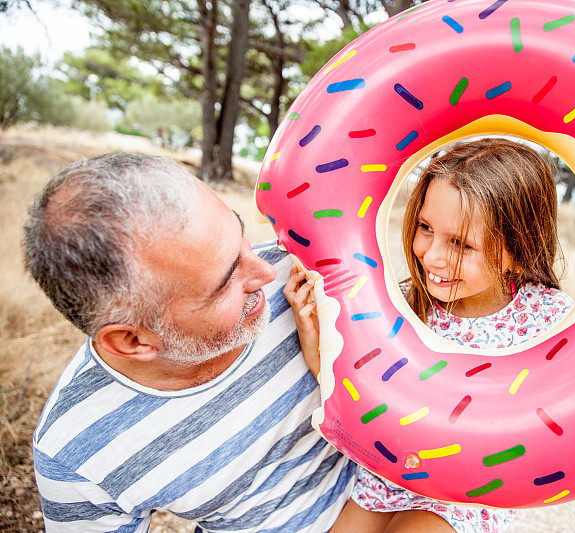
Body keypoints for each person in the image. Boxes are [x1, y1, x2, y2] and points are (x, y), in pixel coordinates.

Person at [22, 153, 355, 532]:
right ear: (132, 340)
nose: (266, 271)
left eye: (241, 233)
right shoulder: (75, 454)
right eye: (226, 280)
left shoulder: (307, 282)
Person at [284, 138, 575, 532]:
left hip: (464, 496)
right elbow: (353, 395)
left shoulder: (548, 320)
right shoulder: (404, 302)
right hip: (384, 478)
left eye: (460, 244)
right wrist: (313, 338)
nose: (432, 256)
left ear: (517, 249)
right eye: (425, 227)